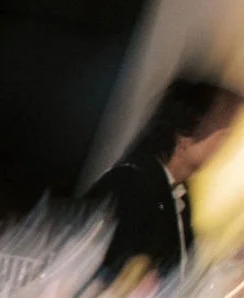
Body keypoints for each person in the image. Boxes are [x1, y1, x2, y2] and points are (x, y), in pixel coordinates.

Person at [86, 75, 240, 280]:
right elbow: (110, 277)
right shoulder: (130, 185)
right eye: (222, 135)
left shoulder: (178, 193)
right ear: (185, 135)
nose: (224, 148)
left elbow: (177, 277)